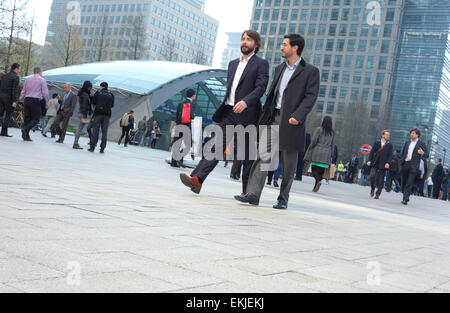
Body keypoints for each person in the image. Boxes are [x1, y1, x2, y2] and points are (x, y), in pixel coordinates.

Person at [235, 33, 320, 209]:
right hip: (274, 117)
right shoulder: (279, 68)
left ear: (295, 48)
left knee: (289, 164)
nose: (281, 47)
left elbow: (311, 97)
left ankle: (283, 199)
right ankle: (253, 194)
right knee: (263, 157)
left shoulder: (310, 71)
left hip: (292, 120)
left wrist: (298, 116)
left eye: (284, 44)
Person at [180, 30, 269, 196]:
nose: (244, 42)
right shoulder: (233, 64)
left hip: (248, 114)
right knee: (216, 145)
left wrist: (245, 101)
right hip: (229, 112)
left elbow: (260, 88)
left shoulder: (261, 64)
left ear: (256, 44)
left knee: (246, 153)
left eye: (248, 40)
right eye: (243, 39)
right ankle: (197, 179)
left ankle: (247, 192)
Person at [304, 116, 335, 193]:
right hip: (327, 153)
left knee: (314, 169)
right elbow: (333, 145)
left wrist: (311, 147)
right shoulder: (332, 133)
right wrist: (332, 155)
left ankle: (318, 181)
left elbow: (314, 140)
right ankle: (316, 186)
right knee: (321, 171)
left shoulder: (319, 129)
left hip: (317, 151)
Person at [19, 67, 49, 142]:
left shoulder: (27, 79)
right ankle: (25, 129)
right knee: (36, 119)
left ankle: (25, 136)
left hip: (27, 100)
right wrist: (47, 102)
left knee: (27, 118)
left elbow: (23, 91)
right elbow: (45, 92)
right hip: (35, 100)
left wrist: (20, 101)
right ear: (40, 72)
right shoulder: (42, 80)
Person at [400, 127, 429, 205]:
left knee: (410, 182)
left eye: (413, 133)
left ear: (417, 135)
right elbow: (403, 153)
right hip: (406, 164)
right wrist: (401, 162)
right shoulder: (407, 143)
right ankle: (404, 195)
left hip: (414, 165)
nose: (411, 134)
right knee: (404, 182)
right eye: (411, 133)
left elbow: (427, 155)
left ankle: (406, 198)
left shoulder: (421, 144)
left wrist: (422, 153)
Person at [171, 89, 196, 167]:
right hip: (187, 126)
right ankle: (180, 159)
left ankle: (173, 162)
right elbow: (191, 116)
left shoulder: (180, 103)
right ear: (193, 96)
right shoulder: (192, 104)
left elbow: (177, 116)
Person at [89, 82, 114, 153]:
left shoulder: (98, 93)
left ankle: (92, 147)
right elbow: (112, 105)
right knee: (104, 131)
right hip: (107, 115)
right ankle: (102, 148)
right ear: (107, 87)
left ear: (101, 86)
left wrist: (93, 97)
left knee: (95, 131)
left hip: (98, 114)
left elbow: (93, 103)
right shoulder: (111, 94)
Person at [367, 130, 393, 199]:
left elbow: (390, 155)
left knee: (381, 180)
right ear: (383, 135)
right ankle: (372, 188)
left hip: (383, 164)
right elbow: (372, 152)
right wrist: (369, 160)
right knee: (372, 176)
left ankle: (378, 193)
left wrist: (388, 163)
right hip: (375, 163)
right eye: (387, 135)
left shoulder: (389, 145)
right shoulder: (377, 143)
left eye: (388, 135)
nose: (388, 136)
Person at [0, 63, 20, 138]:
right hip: (9, 99)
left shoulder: (4, 76)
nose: (19, 71)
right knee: (8, 115)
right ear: (16, 69)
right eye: (19, 69)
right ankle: (4, 132)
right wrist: (14, 101)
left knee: (0, 114)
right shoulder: (16, 77)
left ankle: (3, 131)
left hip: (1, 97)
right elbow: (14, 90)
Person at [73, 81, 93, 150]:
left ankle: (76, 143)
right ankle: (75, 143)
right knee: (80, 129)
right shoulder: (85, 94)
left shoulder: (83, 93)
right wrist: (85, 116)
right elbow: (84, 105)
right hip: (83, 113)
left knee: (80, 128)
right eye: (90, 87)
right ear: (88, 87)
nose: (91, 89)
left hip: (81, 112)